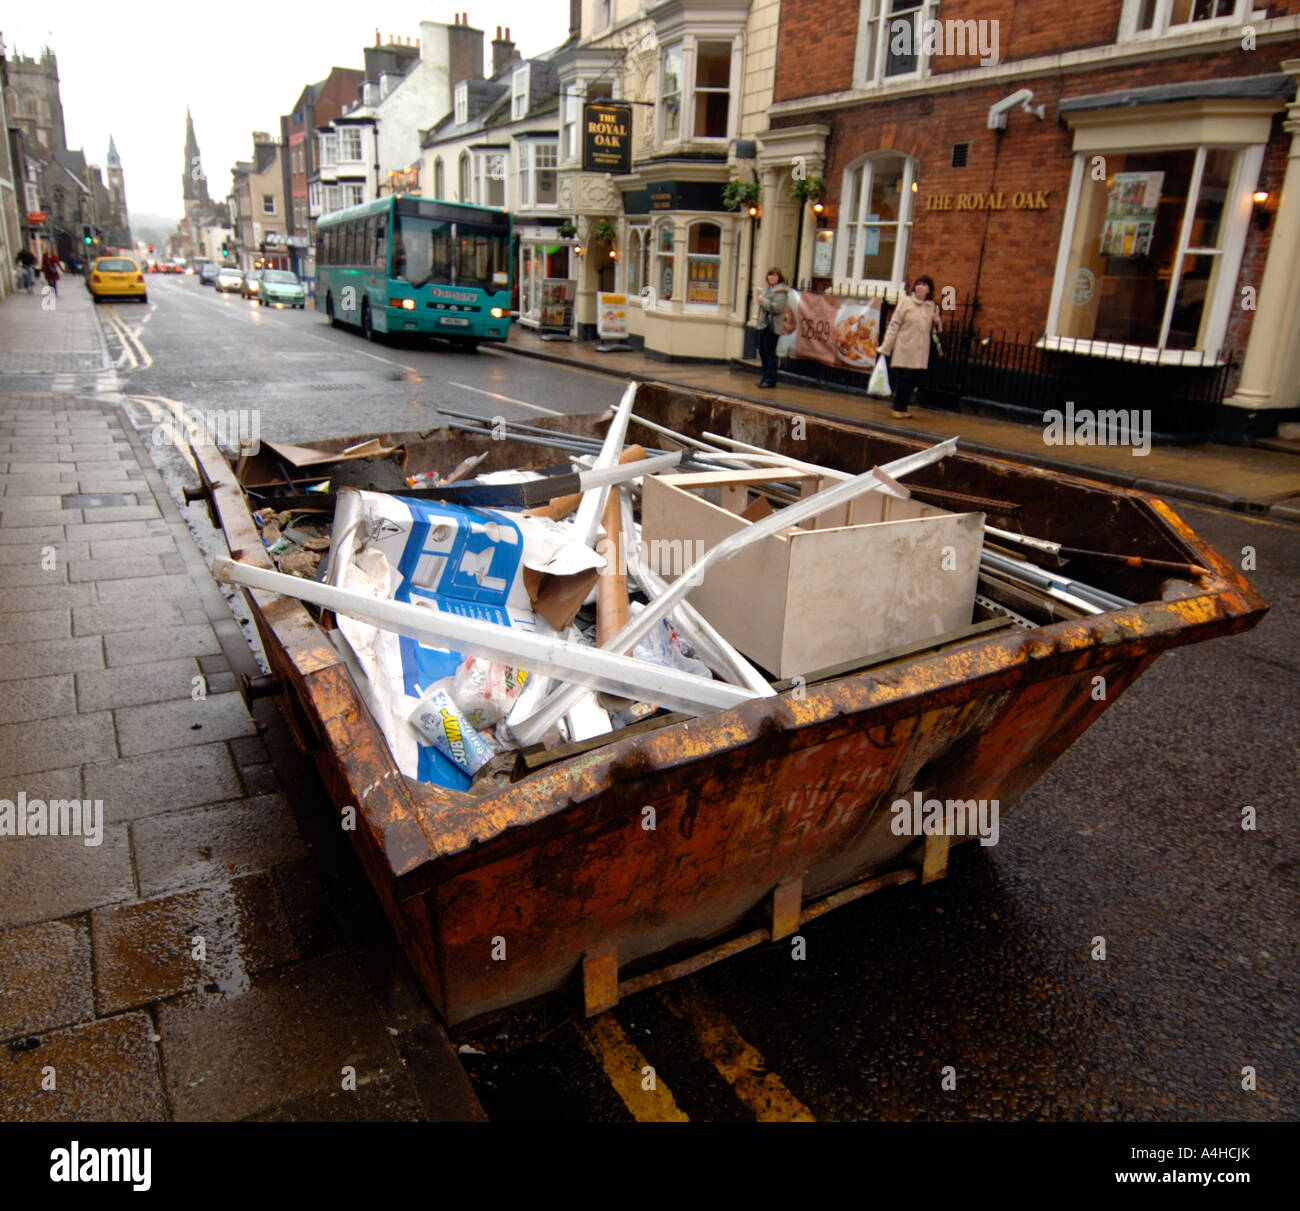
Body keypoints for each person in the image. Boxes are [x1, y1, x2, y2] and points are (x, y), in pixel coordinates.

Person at [877, 273, 941, 418]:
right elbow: (894, 325)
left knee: (914, 381)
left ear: (929, 290)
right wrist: (886, 347)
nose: (920, 287)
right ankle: (897, 408)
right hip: (904, 349)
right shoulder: (905, 302)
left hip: (921, 352)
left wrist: (938, 322)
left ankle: (903, 409)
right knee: (904, 380)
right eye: (918, 284)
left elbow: (936, 331)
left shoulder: (931, 306)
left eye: (924, 285)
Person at [755, 267, 791, 388]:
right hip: (763, 325)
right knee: (763, 352)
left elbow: (777, 308)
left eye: (774, 275)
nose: (772, 277)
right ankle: (764, 377)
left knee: (770, 354)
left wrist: (763, 300)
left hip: (772, 326)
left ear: (779, 278)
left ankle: (771, 379)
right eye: (770, 275)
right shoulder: (768, 290)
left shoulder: (781, 291)